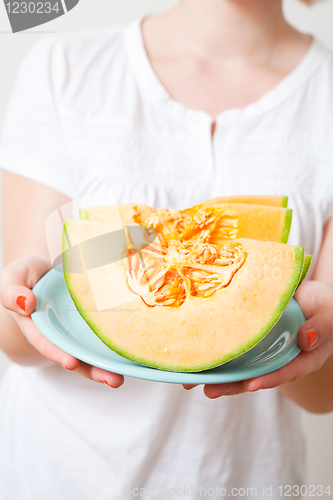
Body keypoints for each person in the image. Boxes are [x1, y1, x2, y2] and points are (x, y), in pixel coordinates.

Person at [0, 0, 333, 498]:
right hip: (54, 478)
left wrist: (316, 340)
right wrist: (24, 300)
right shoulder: (63, 69)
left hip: (242, 481)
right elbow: (15, 333)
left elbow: (322, 395)